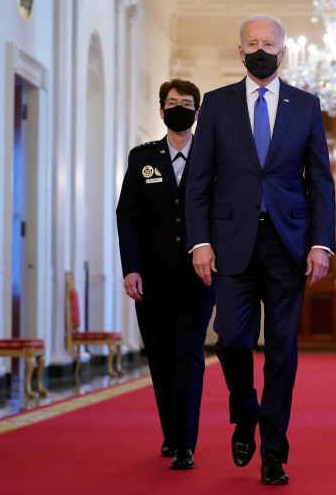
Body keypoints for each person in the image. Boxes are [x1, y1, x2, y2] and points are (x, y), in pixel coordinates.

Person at [185, 14, 336, 485]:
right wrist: (200, 241)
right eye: (252, 43)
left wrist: (321, 244)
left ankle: (274, 449)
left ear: (283, 52)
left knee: (283, 351)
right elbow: (198, 181)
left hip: (288, 244)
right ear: (240, 51)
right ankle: (246, 411)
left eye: (268, 43)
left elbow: (322, 182)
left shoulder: (306, 106)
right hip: (230, 244)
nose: (260, 49)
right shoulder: (216, 104)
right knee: (230, 339)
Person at [116, 79, 214, 471]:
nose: (178, 108)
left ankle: (186, 442)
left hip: (198, 275)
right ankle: (171, 434)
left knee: (189, 354)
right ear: (161, 111)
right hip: (152, 278)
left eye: (186, 103)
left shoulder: (212, 157)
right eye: (172, 103)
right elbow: (129, 217)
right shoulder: (142, 158)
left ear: (197, 112)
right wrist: (131, 269)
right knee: (161, 358)